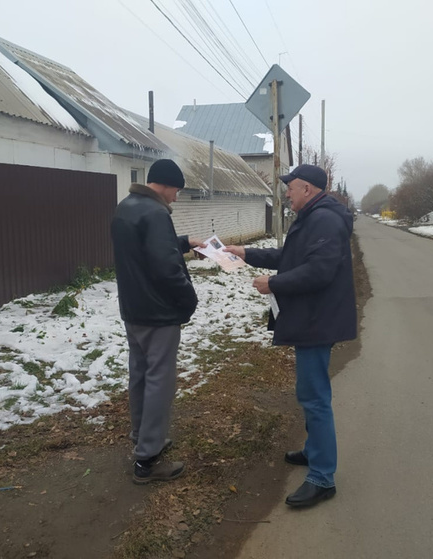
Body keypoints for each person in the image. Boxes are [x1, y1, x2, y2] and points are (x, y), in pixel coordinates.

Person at [224, 164, 357, 508]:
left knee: (314, 398)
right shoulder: (314, 216)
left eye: (291, 188)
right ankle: (314, 452)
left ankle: (323, 478)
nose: (286, 193)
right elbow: (290, 257)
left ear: (308, 190)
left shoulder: (324, 220)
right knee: (309, 392)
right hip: (312, 318)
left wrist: (275, 283)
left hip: (318, 321)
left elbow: (319, 270)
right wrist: (247, 254)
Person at [110, 159, 205, 485]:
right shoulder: (156, 213)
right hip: (159, 315)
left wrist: (184, 243)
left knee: (139, 376)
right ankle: (148, 460)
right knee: (160, 383)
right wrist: (189, 301)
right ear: (164, 185)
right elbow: (166, 269)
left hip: (134, 311)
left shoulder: (126, 208)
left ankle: (142, 436)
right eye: (176, 190)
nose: (176, 198)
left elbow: (145, 252)